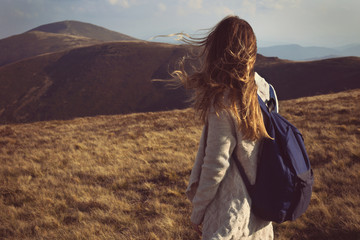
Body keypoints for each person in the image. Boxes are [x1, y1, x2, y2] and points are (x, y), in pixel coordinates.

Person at [172, 16, 278, 239]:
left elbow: (215, 165)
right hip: (261, 217)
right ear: (252, 51)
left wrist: (198, 212)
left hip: (229, 218)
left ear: (217, 52)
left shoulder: (223, 101)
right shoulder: (266, 90)